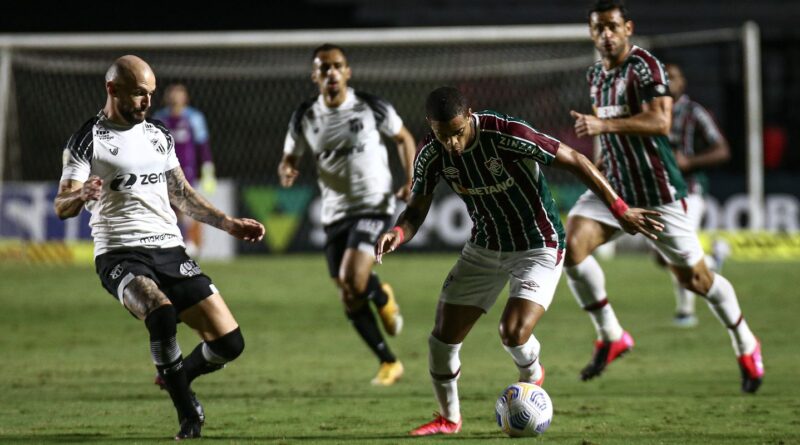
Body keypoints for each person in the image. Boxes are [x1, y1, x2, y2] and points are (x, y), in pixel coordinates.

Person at [375, 86, 663, 436]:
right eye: (442, 135)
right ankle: (449, 419)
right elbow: (417, 208)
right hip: (484, 248)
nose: (451, 143)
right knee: (441, 341)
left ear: (469, 116)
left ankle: (532, 374)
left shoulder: (506, 133)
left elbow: (575, 160)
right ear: (430, 126)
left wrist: (620, 209)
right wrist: (398, 233)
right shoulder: (430, 154)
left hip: (537, 245)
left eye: (457, 133)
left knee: (512, 332)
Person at [54, 55, 265, 440]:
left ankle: (178, 377)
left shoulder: (158, 134)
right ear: (112, 89)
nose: (147, 102)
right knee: (161, 314)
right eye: (139, 94)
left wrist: (228, 223)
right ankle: (188, 414)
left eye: (150, 94)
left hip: (170, 250)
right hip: (119, 253)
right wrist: (81, 193)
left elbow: (181, 195)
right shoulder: (88, 140)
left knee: (229, 343)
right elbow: (61, 204)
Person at [566, 0, 763, 393]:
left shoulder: (645, 67)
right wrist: (602, 161)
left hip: (658, 192)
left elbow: (660, 121)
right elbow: (608, 134)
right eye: (598, 28)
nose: (605, 34)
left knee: (696, 278)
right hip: (617, 186)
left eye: (612, 26)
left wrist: (602, 125)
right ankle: (611, 335)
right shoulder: (595, 76)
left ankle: (746, 343)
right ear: (591, 33)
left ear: (627, 28)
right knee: (570, 247)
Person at [278, 43, 416, 386]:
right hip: (335, 212)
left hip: (375, 204)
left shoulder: (371, 106)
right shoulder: (305, 116)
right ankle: (389, 361)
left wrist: (411, 178)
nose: (331, 73)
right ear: (315, 76)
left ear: (348, 72)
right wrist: (287, 170)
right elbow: (290, 157)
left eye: (337, 66)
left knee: (353, 278)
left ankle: (381, 296)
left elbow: (404, 137)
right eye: (324, 68)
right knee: (348, 294)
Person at [662, 63, 731, 327]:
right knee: (663, 254)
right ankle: (714, 260)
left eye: (675, 77)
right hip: (658, 193)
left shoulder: (694, 113)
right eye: (665, 76)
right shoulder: (649, 111)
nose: (669, 81)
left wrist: (689, 162)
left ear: (684, 83)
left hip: (690, 191)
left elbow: (722, 150)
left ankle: (685, 311)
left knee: (677, 252)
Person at [152, 83, 217, 257]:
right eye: (172, 94)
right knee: (164, 205)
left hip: (186, 168)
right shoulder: (159, 118)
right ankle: (168, 241)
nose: (175, 98)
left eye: (178, 94)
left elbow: (202, 145)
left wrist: (208, 169)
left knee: (183, 204)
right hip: (161, 169)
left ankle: (189, 241)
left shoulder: (194, 118)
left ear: (185, 97)